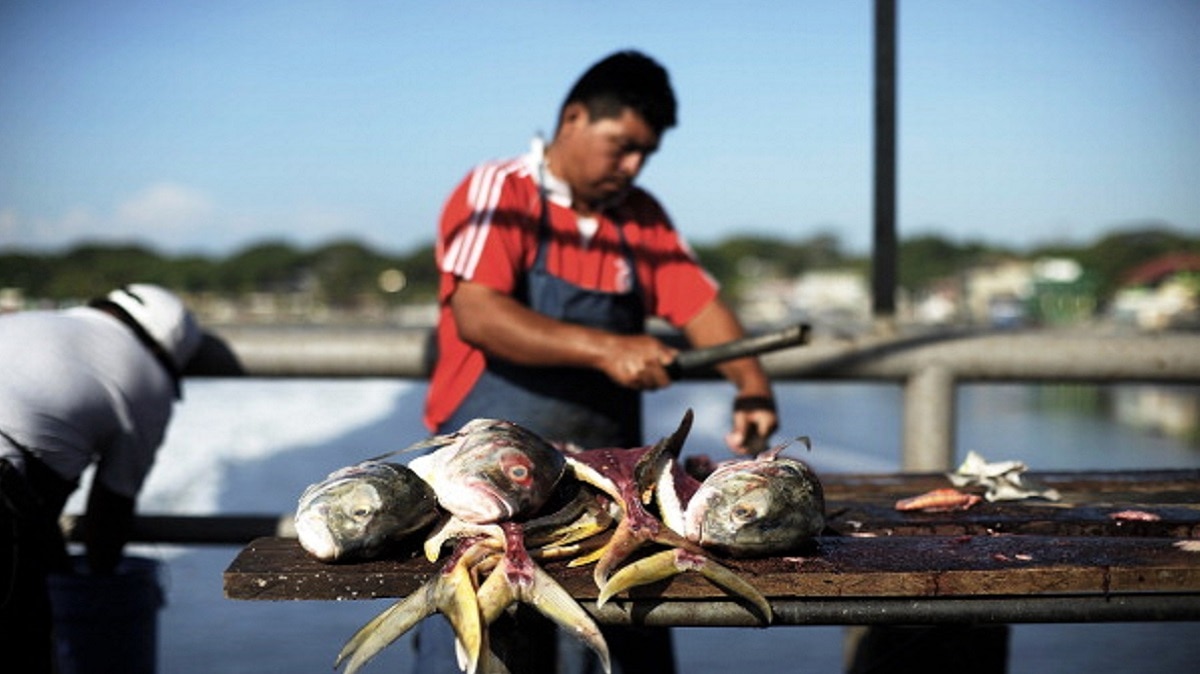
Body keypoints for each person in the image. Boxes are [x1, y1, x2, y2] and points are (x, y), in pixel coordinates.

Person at [422, 50, 778, 674]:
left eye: (646, 153)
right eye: (622, 146)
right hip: (487, 496)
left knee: (620, 646)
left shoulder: (640, 218)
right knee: (506, 650)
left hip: (611, 501)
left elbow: (703, 308)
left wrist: (753, 387)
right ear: (574, 118)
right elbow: (478, 313)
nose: (632, 166)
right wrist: (607, 348)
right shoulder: (500, 192)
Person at [0, 283, 203, 673]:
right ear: (164, 349)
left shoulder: (31, 322)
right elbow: (109, 513)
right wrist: (97, 581)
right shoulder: (148, 377)